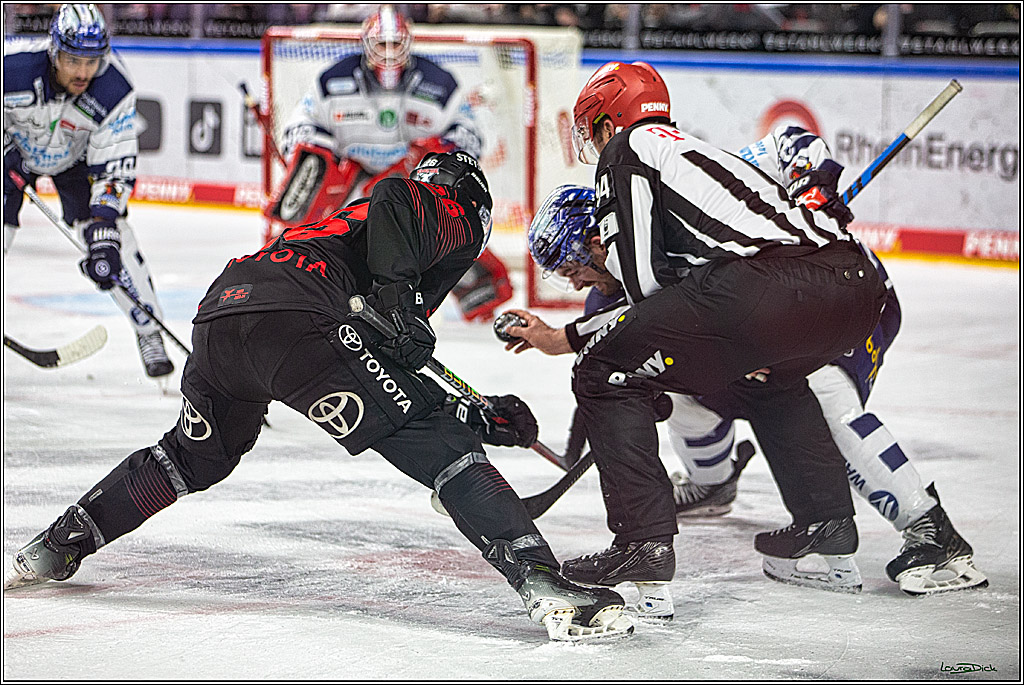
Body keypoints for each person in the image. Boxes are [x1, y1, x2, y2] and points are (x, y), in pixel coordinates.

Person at [3, 151, 634, 644]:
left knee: (194, 457)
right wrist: (400, 307)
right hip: (299, 321)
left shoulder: (356, 237)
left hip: (226, 310)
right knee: (441, 451)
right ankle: (547, 586)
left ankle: (58, 544)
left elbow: (380, 363)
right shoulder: (452, 209)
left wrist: (475, 413)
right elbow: (394, 197)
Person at [523, 125, 987, 598]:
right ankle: (711, 484)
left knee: (824, 393)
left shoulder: (688, 186)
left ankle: (932, 532)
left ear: (598, 241)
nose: (577, 285)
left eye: (574, 270)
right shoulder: (609, 289)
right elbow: (615, 353)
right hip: (764, 316)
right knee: (672, 379)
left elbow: (791, 139)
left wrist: (814, 187)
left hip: (840, 299)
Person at [501, 61, 888, 604]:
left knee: (603, 373)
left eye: (593, 131)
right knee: (769, 380)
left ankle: (643, 543)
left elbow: (646, 286)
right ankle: (826, 523)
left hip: (769, 288)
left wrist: (621, 359)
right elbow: (690, 292)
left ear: (610, 123)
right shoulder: (691, 151)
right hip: (853, 285)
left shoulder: (627, 151)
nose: (594, 144)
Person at [267, 4, 511, 323]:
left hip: (411, 178)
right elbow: (299, 127)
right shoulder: (332, 80)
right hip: (351, 176)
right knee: (313, 186)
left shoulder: (440, 83)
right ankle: (297, 275)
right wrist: (321, 152)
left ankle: (479, 287)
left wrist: (434, 152)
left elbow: (469, 134)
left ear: (408, 44)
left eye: (395, 44)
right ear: (366, 45)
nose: (389, 52)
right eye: (382, 44)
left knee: (443, 215)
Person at [3, 3, 173, 379]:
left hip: (77, 163)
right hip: (13, 159)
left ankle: (150, 333)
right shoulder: (11, 68)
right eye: (73, 60)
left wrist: (104, 224)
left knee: (114, 246)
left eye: (92, 61)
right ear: (54, 51)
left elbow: (114, 164)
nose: (83, 72)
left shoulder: (114, 88)